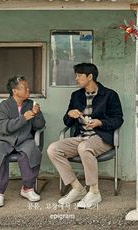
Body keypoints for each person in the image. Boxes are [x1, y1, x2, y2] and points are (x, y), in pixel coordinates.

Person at [47, 63, 123, 209]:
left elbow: (118, 119)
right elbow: (67, 121)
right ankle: (77, 189)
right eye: (76, 75)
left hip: (102, 138)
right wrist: (70, 114)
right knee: (53, 149)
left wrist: (100, 122)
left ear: (90, 76)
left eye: (79, 75)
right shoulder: (76, 96)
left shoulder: (109, 95)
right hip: (81, 137)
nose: (76, 78)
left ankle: (94, 192)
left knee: (84, 147)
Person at [0, 75, 46, 208]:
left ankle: (28, 188)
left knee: (31, 151)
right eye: (25, 87)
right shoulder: (4, 105)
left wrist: (36, 114)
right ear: (15, 91)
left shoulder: (31, 104)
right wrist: (23, 118)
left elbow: (40, 125)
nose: (28, 89)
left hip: (24, 139)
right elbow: (2, 126)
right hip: (2, 139)